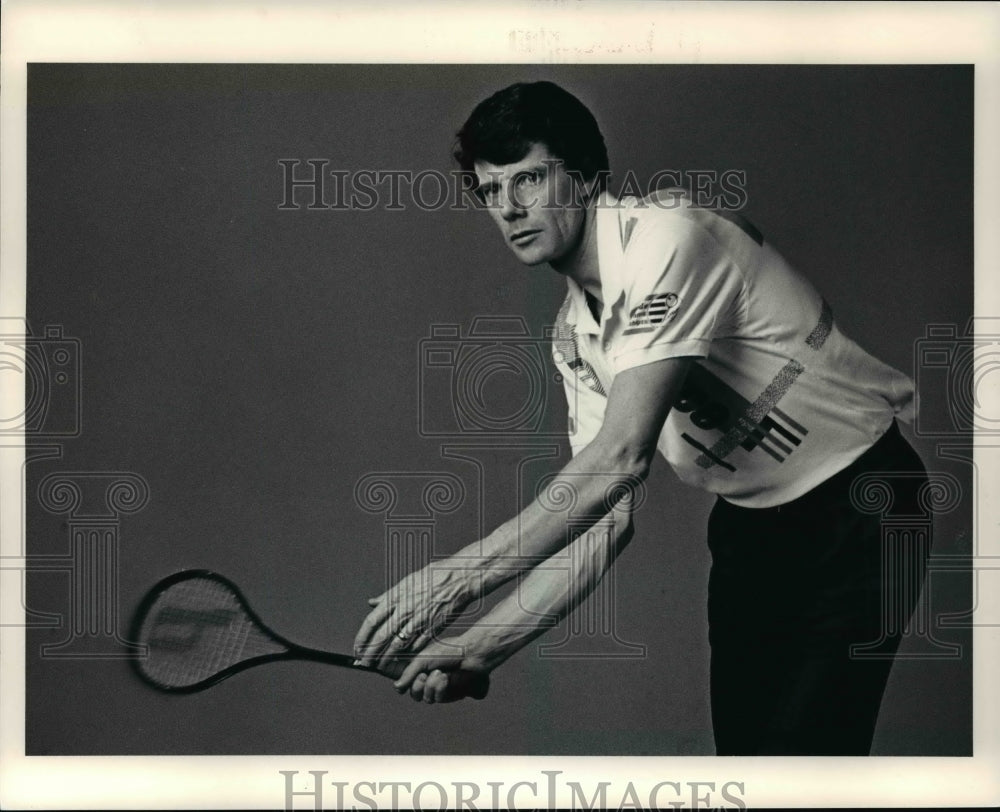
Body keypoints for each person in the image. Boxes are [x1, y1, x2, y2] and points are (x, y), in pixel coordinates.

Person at [352, 80, 929, 755]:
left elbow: (620, 457)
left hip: (860, 502)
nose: (508, 208)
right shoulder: (574, 337)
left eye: (530, 179)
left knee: (808, 766)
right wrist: (482, 645)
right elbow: (604, 520)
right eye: (489, 191)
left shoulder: (664, 236)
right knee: (747, 769)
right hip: (751, 533)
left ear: (588, 176)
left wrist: (459, 576)